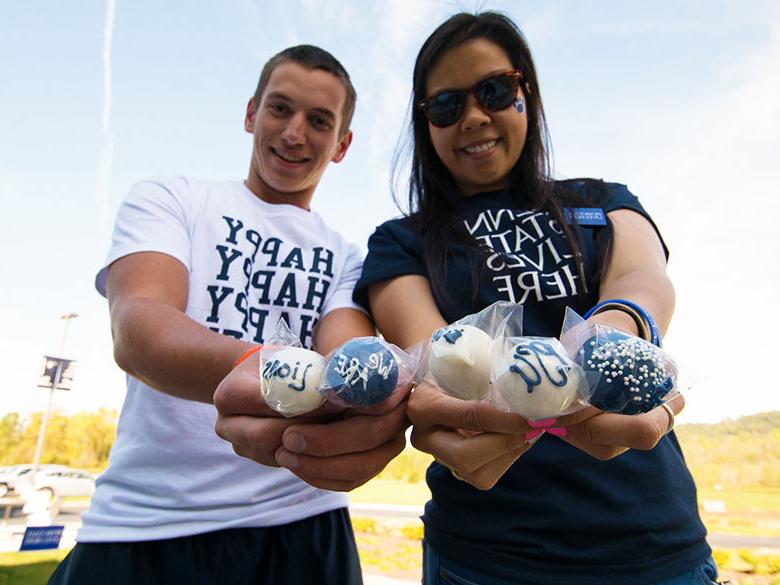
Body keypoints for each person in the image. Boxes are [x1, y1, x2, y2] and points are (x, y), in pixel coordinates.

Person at [353, 12, 719, 585]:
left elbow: (642, 278)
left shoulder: (604, 200)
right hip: (486, 554)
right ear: (426, 125)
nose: (473, 117)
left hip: (652, 544)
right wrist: (462, 386)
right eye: (446, 106)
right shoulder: (401, 240)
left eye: (494, 90)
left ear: (527, 92)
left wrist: (608, 339)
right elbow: (427, 345)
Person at [49, 45, 408, 585]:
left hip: (303, 522)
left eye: (319, 121)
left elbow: (346, 360)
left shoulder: (347, 256)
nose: (293, 133)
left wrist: (378, 403)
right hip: (148, 523)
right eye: (280, 108)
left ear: (342, 145)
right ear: (251, 113)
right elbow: (141, 327)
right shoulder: (171, 199)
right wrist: (281, 374)